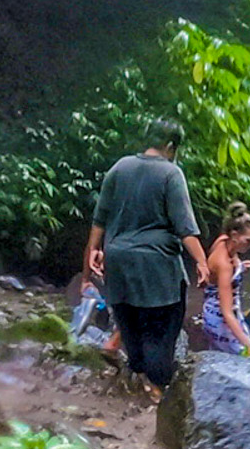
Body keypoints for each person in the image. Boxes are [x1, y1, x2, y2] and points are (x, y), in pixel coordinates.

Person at [84, 119, 206, 399]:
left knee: (129, 323)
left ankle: (136, 374)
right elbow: (185, 228)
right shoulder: (171, 173)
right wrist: (201, 261)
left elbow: (99, 222)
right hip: (156, 268)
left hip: (118, 262)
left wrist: (91, 259)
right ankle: (156, 388)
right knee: (162, 329)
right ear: (171, 146)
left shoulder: (119, 168)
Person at [198, 203, 250, 359]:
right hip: (221, 321)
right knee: (249, 358)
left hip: (213, 311)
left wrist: (240, 267)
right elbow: (227, 313)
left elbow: (215, 276)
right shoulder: (225, 265)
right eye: (248, 241)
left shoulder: (223, 240)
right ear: (235, 235)